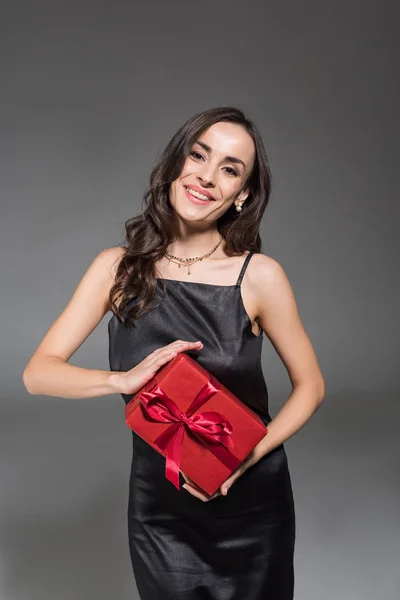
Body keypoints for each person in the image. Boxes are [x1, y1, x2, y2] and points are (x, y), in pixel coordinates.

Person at [23, 106, 325, 599]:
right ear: (176, 162)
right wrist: (118, 381)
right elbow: (38, 373)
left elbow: (311, 386)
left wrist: (246, 457)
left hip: (252, 502)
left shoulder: (260, 276)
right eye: (198, 155)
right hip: (160, 510)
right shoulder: (116, 269)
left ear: (243, 194)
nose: (206, 177)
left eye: (230, 169)